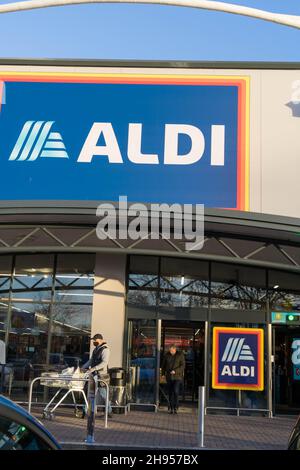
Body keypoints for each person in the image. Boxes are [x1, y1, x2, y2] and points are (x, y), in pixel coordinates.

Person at [82, 333, 113, 418]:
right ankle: (86, 410)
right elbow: (91, 360)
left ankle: (109, 411)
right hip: (94, 374)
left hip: (101, 375)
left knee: (103, 394)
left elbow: (104, 363)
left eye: (96, 341)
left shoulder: (105, 350)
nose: (94, 342)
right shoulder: (96, 349)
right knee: (89, 392)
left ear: (101, 340)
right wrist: (83, 367)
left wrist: (93, 368)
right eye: (94, 341)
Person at [161, 344, 185, 414]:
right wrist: (162, 374)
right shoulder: (166, 355)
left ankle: (176, 407)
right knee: (170, 392)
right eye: (170, 350)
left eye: (172, 350)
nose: (170, 352)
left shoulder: (180, 355)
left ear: (175, 349)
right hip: (169, 376)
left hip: (177, 377)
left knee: (176, 391)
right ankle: (171, 408)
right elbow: (163, 365)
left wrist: (175, 371)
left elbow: (183, 365)